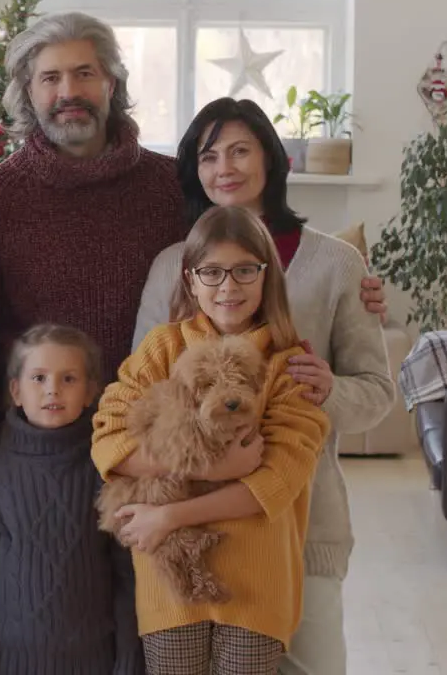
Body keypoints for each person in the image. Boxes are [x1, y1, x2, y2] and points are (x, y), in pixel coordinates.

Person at [0, 11, 386, 428]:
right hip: (35, 440)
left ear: (111, 83)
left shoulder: (173, 185)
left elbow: (247, 259)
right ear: (28, 91)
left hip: (166, 440)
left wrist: (350, 285)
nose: (68, 92)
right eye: (50, 77)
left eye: (84, 73)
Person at [133, 98, 395, 675]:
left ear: (270, 160)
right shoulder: (173, 267)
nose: (224, 166)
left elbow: (376, 394)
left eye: (240, 150)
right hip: (188, 520)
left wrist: (330, 390)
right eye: (208, 155)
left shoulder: (337, 265)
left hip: (302, 518)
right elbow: (139, 397)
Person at [91, 205, 331, 674]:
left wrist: (169, 516)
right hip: (170, 584)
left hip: (257, 585)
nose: (228, 286)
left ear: (267, 276)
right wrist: (212, 469)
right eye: (212, 272)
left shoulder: (288, 363)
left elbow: (279, 481)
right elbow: (107, 440)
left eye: (245, 270)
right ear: (190, 279)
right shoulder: (162, 348)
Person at [0, 323, 143, 675]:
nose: (53, 389)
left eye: (68, 379)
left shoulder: (107, 470)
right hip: (6, 663)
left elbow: (128, 576)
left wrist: (129, 660)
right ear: (16, 391)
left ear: (90, 392)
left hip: (95, 661)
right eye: (38, 378)